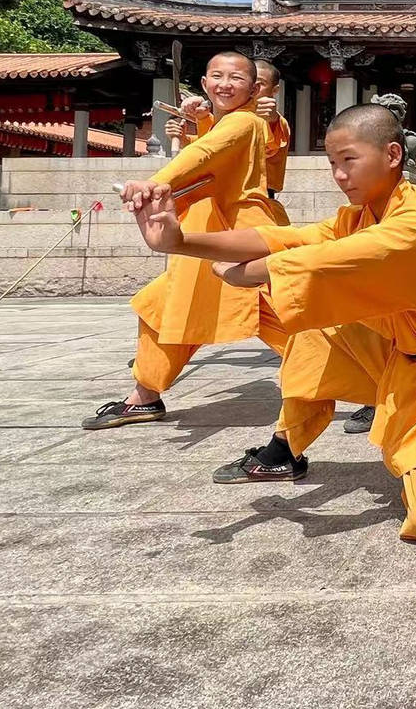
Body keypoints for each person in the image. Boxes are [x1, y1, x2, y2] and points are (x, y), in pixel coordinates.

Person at [127, 103, 416, 543]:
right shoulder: (362, 214)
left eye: (350, 160)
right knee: (315, 323)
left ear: (392, 155)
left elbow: (319, 259)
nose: (339, 174)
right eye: (332, 163)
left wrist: (242, 273)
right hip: (403, 359)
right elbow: (289, 237)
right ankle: (285, 447)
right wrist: (180, 241)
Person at [83, 50, 285, 430]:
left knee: (296, 318)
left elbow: (206, 154)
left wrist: (155, 182)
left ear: (254, 89)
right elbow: (208, 153)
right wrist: (202, 121)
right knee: (162, 308)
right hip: (210, 237)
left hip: (240, 236)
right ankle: (144, 396)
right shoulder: (227, 122)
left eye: (236, 78)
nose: (225, 84)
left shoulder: (246, 122)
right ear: (206, 84)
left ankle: (374, 389)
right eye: (217, 76)